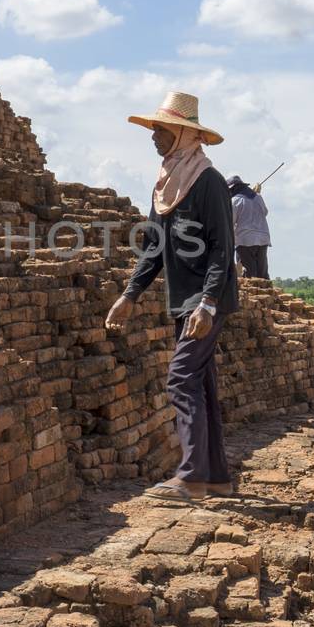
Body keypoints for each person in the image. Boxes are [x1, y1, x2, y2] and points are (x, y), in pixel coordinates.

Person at [105, 91, 239, 504]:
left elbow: (221, 248)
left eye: (160, 130)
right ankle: (215, 477)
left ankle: (191, 475)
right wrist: (130, 295)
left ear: (182, 133)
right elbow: (154, 247)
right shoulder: (166, 184)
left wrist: (208, 303)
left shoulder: (208, 182)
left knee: (181, 378)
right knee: (200, 383)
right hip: (184, 301)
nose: (154, 137)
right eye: (153, 130)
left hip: (205, 301)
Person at [227, 175, 270, 279]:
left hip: (245, 240)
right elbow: (265, 212)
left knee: (249, 275)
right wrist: (257, 194)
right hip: (262, 239)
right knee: (262, 273)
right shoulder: (258, 197)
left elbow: (230, 223)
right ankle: (266, 292)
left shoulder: (235, 201)